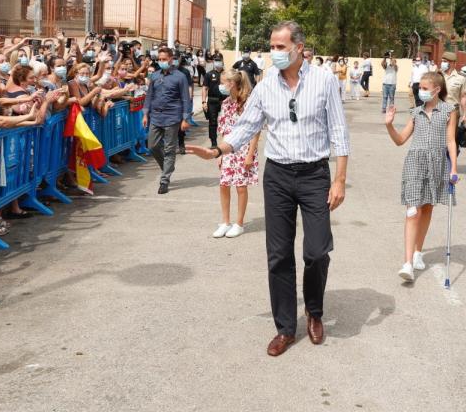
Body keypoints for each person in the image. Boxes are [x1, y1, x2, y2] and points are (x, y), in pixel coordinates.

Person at [186, 20, 350, 358]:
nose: (273, 52)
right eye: (272, 46)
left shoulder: (324, 80)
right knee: (278, 255)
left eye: (280, 46)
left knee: (317, 251)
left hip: (314, 174)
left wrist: (339, 179)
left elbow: (338, 131)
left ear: (299, 47)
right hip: (278, 176)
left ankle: (314, 311)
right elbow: (247, 127)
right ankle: (285, 328)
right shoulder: (264, 87)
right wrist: (218, 150)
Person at [384, 71, 459, 281]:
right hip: (415, 165)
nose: (421, 92)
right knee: (412, 212)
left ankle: (418, 252)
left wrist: (454, 168)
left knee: (427, 208)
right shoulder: (416, 112)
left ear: (437, 89)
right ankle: (407, 263)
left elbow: (451, 140)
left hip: (437, 163)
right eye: (420, 88)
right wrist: (389, 125)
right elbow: (400, 140)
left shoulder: (448, 110)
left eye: (425, 88)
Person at [211, 69, 260, 239]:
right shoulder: (225, 103)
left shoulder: (247, 102)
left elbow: (255, 130)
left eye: (223, 81)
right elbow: (224, 130)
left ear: (231, 83)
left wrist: (250, 155)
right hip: (228, 148)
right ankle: (225, 221)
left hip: (244, 149)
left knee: (240, 186)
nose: (220, 85)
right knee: (224, 184)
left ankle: (239, 223)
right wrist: (220, 154)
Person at [142, 47, 192, 194]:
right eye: (159, 59)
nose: (161, 61)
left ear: (171, 59)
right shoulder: (155, 76)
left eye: (164, 59)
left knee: (170, 149)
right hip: (156, 117)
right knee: (152, 146)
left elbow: (185, 98)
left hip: (173, 117)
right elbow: (149, 95)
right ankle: (167, 166)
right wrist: (145, 114)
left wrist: (185, 118)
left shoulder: (180, 77)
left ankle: (164, 180)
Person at [201, 52, 226, 148]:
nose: (218, 62)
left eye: (219, 60)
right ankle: (214, 142)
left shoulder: (226, 74)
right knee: (212, 122)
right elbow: (204, 88)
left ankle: (226, 142)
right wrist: (203, 102)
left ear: (223, 61)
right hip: (212, 101)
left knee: (226, 121)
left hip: (224, 101)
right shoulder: (209, 74)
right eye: (216, 60)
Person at [440, 52, 466, 125]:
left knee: (451, 135)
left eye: (445, 62)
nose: (442, 63)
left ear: (452, 63)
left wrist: (464, 114)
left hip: (453, 110)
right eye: (442, 61)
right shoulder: (438, 75)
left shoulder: (461, 78)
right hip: (438, 110)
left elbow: (463, 97)